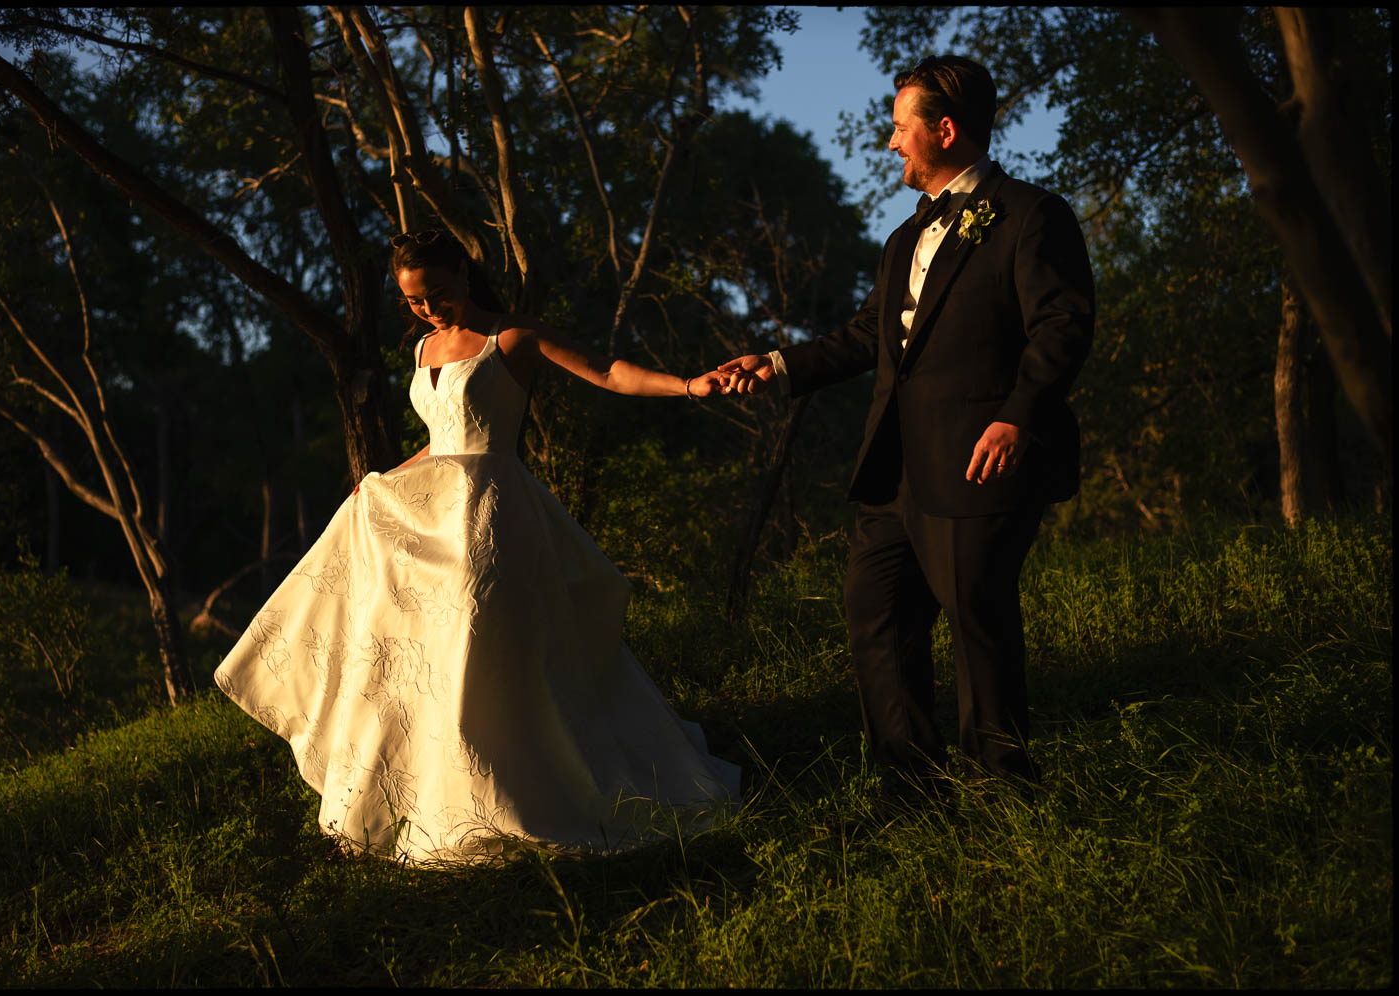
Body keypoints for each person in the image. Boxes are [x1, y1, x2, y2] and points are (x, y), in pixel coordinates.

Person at [215, 229, 740, 863]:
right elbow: (441, 439)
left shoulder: (510, 338)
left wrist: (689, 386)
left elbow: (607, 372)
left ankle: (522, 784)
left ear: (464, 274)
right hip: (430, 510)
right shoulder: (423, 348)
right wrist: (383, 483)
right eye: (414, 302)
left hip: (491, 511)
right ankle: (424, 794)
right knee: (418, 651)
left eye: (437, 294)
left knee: (479, 641)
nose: (430, 311)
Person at [717, 55, 1093, 798]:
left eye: (899, 128)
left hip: (979, 465)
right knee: (876, 619)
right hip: (894, 472)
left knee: (978, 631)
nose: (890, 143)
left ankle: (1008, 794)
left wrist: (1017, 415)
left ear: (944, 130)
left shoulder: (1031, 216)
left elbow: (1062, 324)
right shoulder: (903, 241)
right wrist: (779, 364)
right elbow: (867, 337)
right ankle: (912, 791)